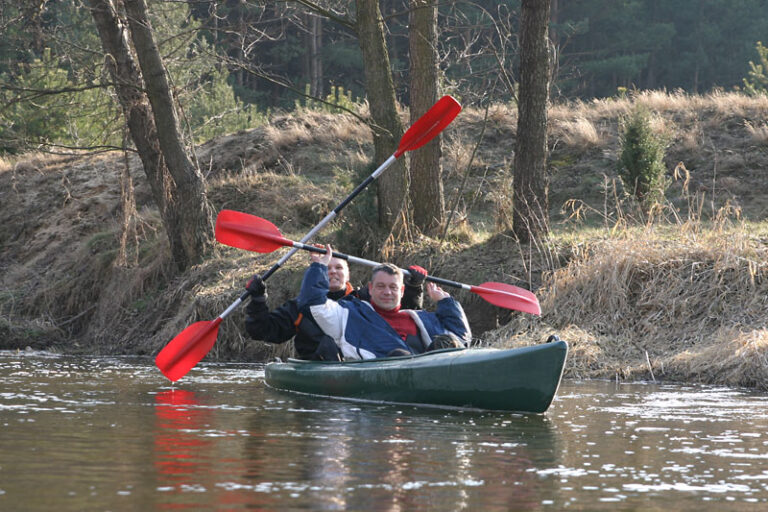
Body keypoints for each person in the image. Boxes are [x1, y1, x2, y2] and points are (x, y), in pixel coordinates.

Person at [297, 245, 471, 360]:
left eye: (393, 287)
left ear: (402, 291)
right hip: (380, 380)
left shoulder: (421, 319)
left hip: (430, 375)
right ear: (370, 288)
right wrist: (319, 267)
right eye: (381, 286)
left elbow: (462, 340)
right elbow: (313, 304)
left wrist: (446, 302)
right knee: (399, 354)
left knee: (446, 342)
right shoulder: (347, 315)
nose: (387, 292)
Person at [244, 252, 426, 360]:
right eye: (327, 267)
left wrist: (414, 288)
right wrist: (258, 300)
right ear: (317, 272)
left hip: (363, 364)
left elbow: (401, 315)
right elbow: (262, 331)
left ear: (348, 274)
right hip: (320, 368)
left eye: (338, 268)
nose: (332, 272)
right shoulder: (300, 306)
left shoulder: (367, 299)